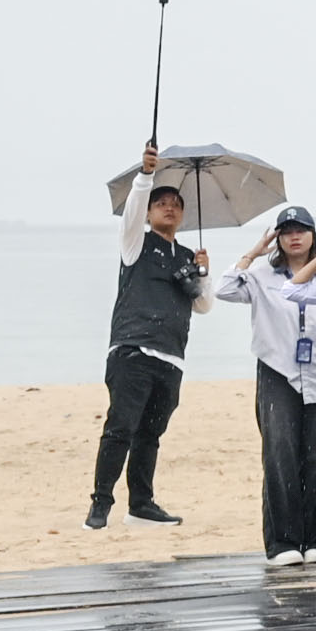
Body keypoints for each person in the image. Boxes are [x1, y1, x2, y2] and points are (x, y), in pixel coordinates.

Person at [223, 204, 316, 570]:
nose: (295, 236)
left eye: (301, 229)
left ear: (313, 236)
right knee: (280, 456)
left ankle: (313, 540)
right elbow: (225, 289)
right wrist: (252, 253)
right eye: (286, 230)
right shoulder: (262, 275)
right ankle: (282, 541)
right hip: (278, 372)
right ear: (277, 237)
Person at [90, 143, 208, 530]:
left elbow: (203, 306)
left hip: (171, 357)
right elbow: (131, 215)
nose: (169, 207)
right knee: (120, 427)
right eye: (162, 203)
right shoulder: (135, 243)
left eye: (176, 203)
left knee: (150, 434)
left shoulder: (188, 255)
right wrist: (146, 176)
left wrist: (203, 273)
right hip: (132, 350)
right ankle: (101, 502)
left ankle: (141, 503)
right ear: (150, 212)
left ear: (184, 214)